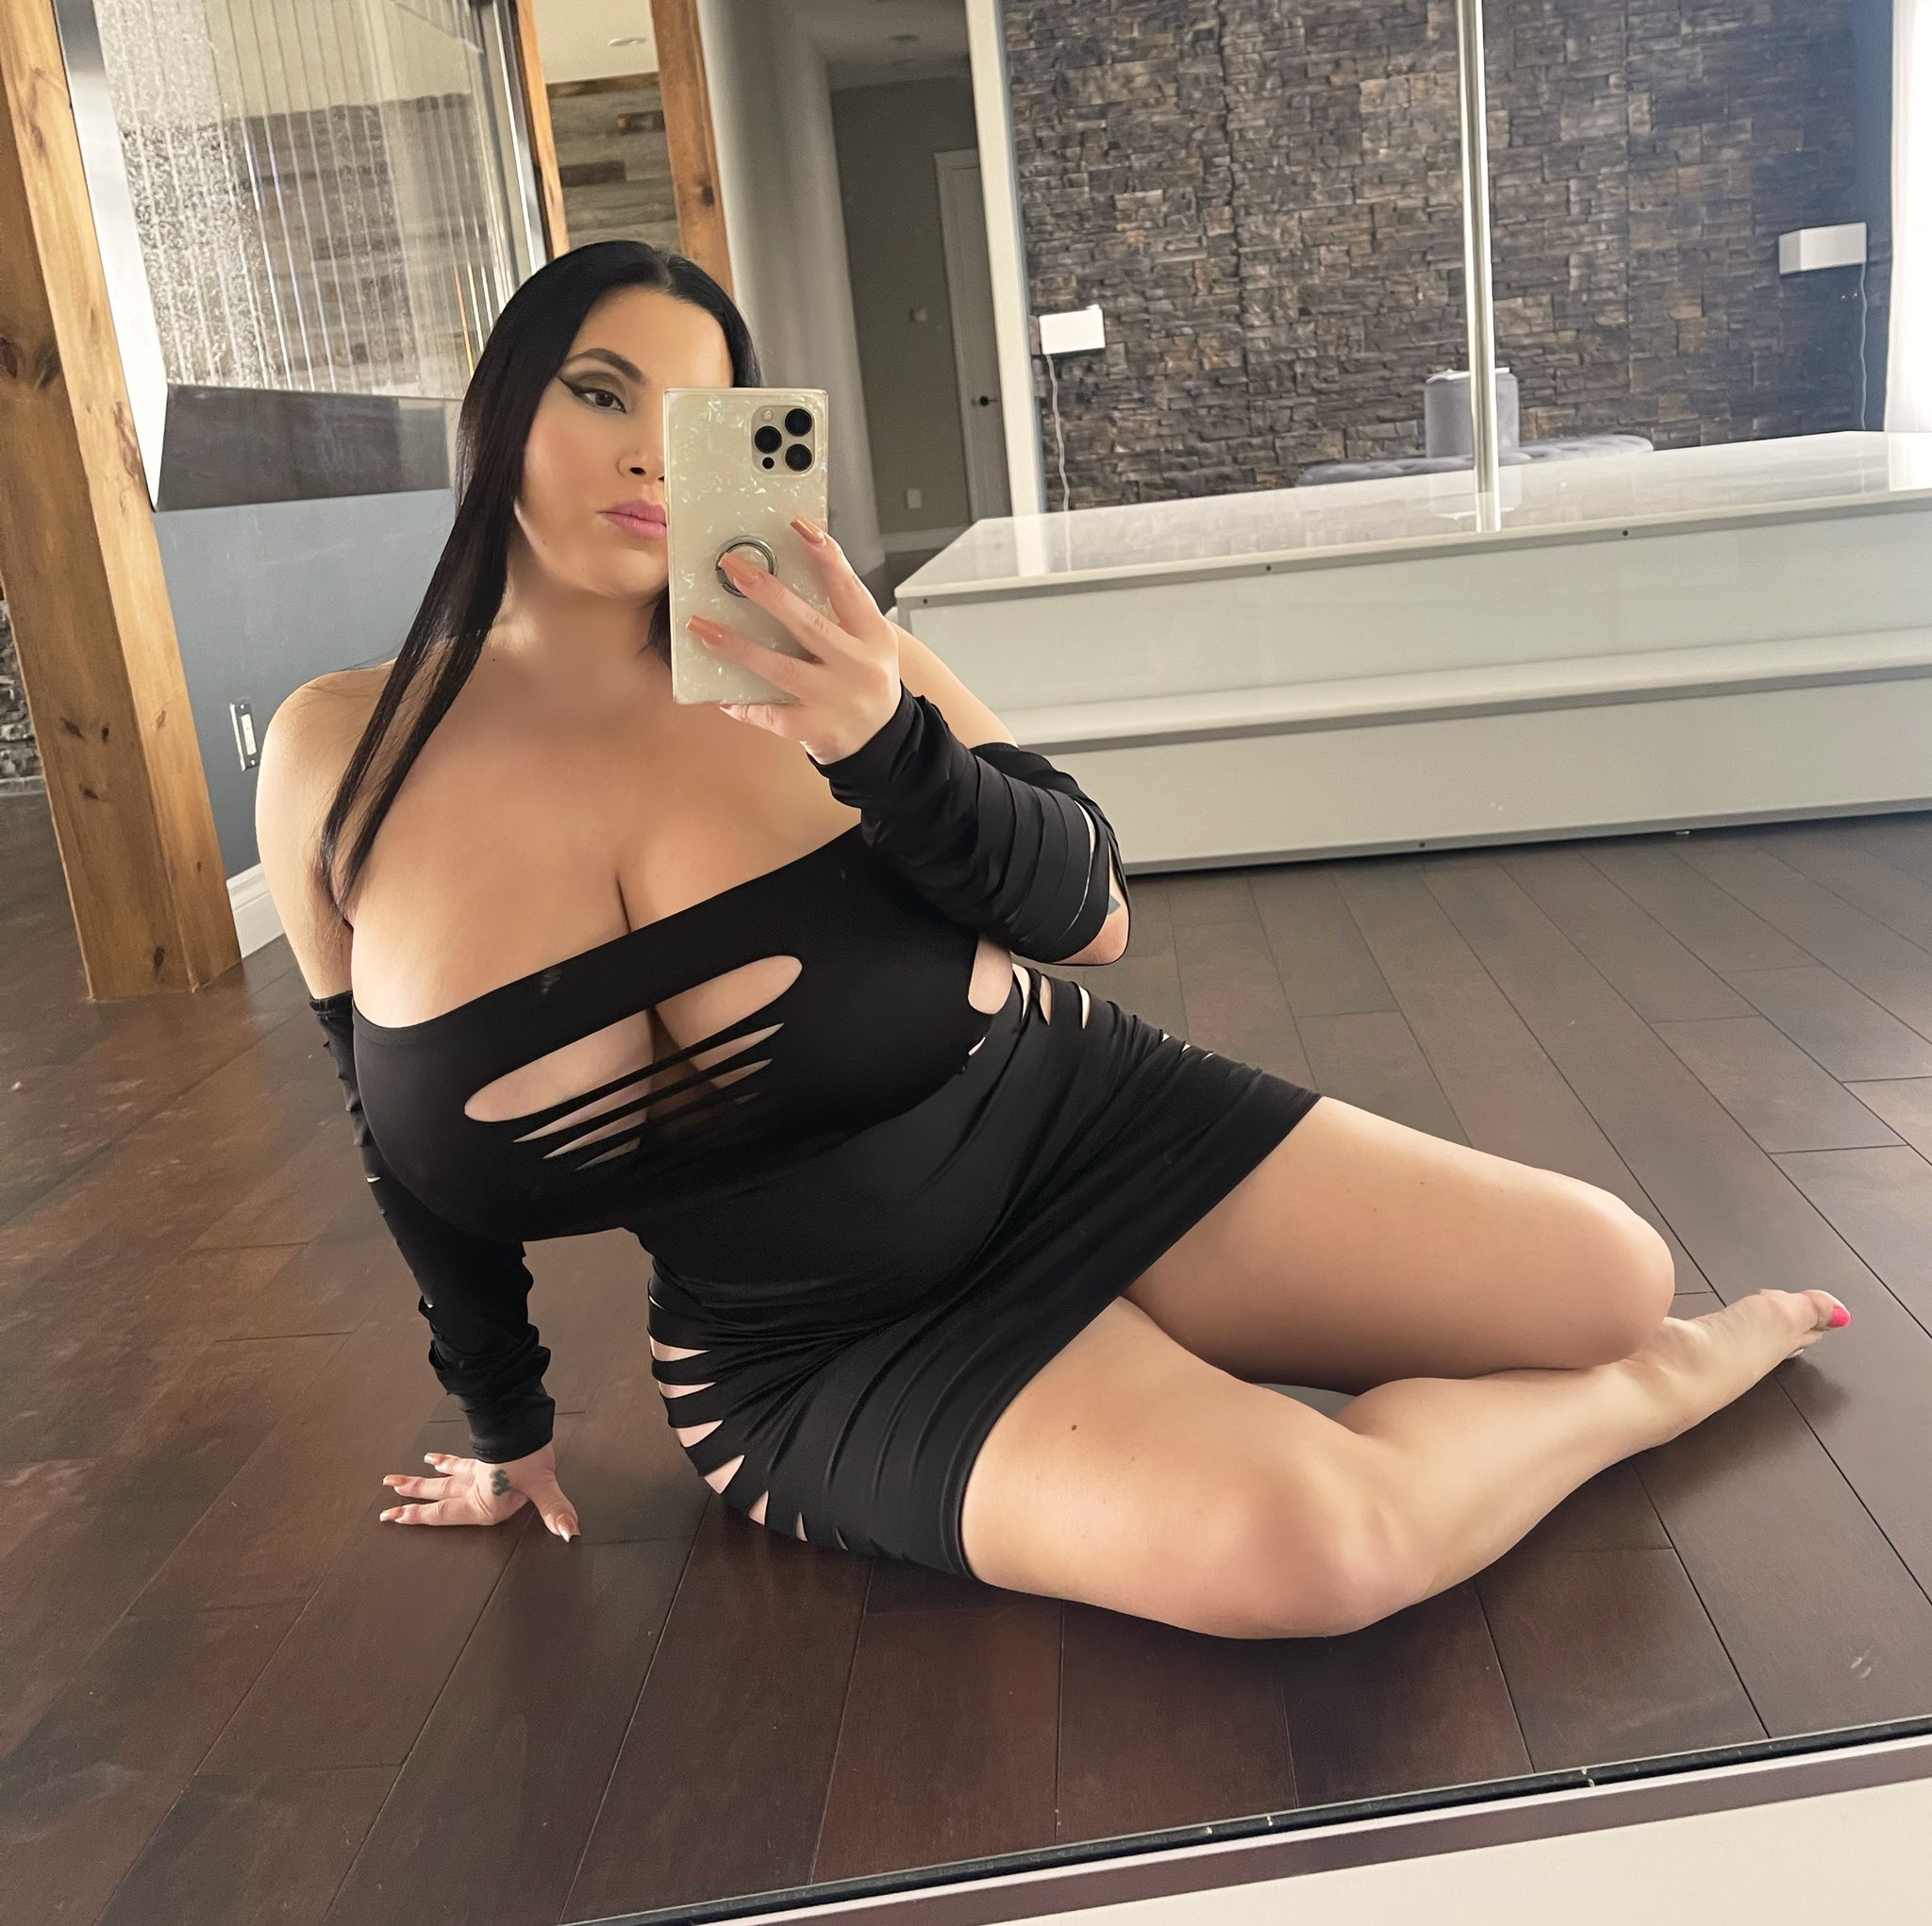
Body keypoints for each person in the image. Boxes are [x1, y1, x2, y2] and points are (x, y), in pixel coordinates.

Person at [255, 241, 1851, 1642]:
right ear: (499, 409)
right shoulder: (341, 753)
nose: (646, 455)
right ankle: (1649, 1390)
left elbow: (1091, 910)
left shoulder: (822, 657)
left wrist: (881, 741)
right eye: (602, 392)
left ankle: (1314, 1345)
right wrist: (506, 1418)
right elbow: (392, 1142)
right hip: (821, 1342)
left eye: (694, 417)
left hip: (1084, 1133)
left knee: (1607, 1277)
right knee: (1327, 1545)